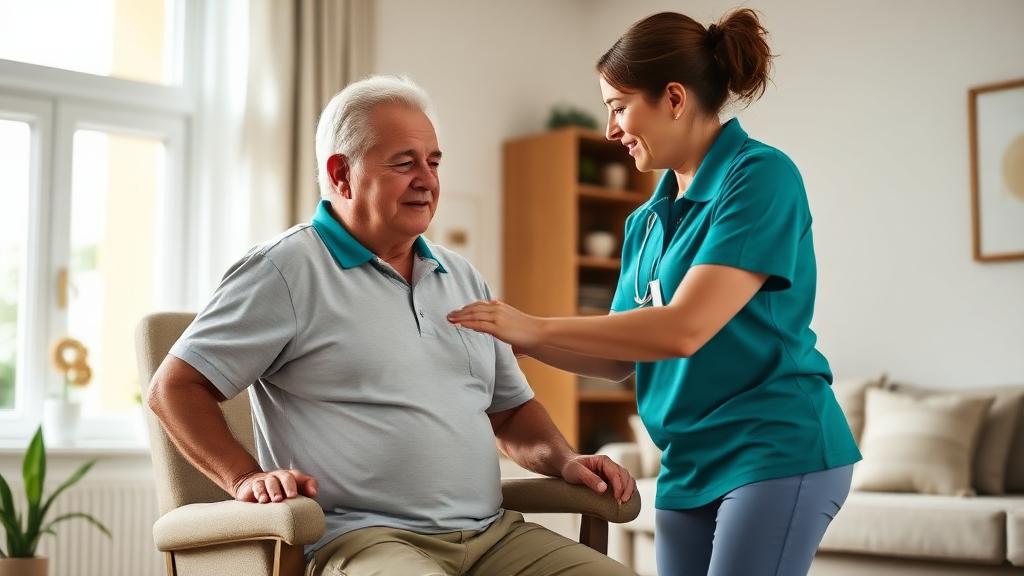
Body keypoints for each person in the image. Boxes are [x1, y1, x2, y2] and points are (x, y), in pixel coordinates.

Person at [147, 75, 637, 576]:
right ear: (341, 175)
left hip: (494, 536)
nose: (427, 179)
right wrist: (245, 477)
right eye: (405, 163)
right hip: (363, 541)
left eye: (434, 161)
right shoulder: (285, 270)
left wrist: (564, 459)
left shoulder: (462, 275)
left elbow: (510, 413)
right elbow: (174, 388)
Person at [447, 10, 860, 576]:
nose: (610, 129)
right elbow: (619, 355)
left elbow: (685, 327)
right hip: (688, 464)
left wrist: (534, 326)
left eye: (618, 106)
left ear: (673, 98)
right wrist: (521, 345)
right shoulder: (644, 220)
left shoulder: (760, 177)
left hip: (773, 448)